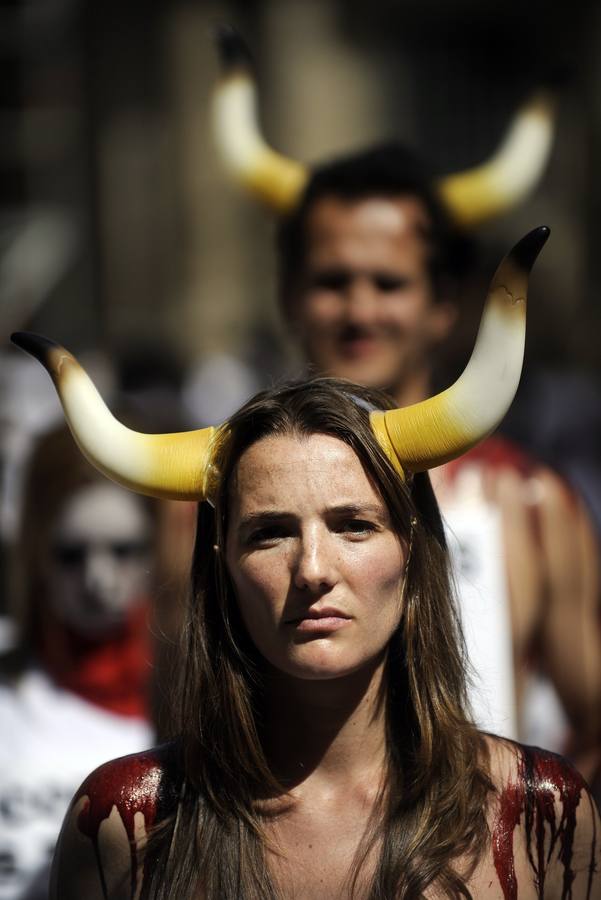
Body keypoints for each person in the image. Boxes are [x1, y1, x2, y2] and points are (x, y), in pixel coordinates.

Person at [10, 231, 601, 899]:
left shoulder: (539, 814)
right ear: (221, 563)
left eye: (353, 525)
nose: (312, 569)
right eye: (269, 534)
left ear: (412, 549)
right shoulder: (127, 821)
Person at [210, 30, 601, 751]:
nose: (359, 312)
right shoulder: (209, 502)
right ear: (289, 297)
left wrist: (527, 834)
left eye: (389, 284)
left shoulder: (531, 503)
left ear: (443, 306)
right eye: (332, 283)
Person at [0, 424, 155, 900]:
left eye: (123, 550)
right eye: (72, 554)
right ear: (35, 553)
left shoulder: (203, 699)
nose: (98, 579)